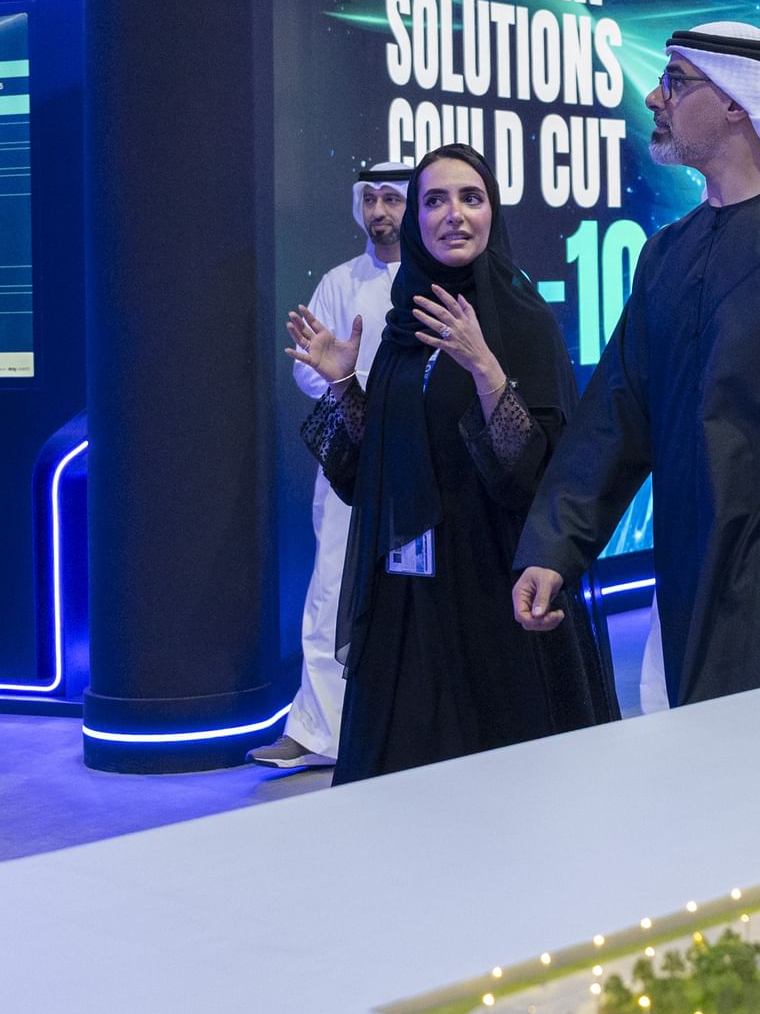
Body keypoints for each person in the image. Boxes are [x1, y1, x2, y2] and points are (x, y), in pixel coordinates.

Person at [513, 23, 760, 706]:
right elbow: (616, 414)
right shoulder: (668, 253)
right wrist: (554, 546)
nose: (654, 98)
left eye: (675, 82)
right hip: (689, 582)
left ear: (734, 101)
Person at [287, 145, 615, 782]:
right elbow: (371, 467)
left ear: (493, 213)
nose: (454, 214)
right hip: (408, 592)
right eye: (435, 200)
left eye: (471, 198)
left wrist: (485, 369)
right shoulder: (403, 326)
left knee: (502, 775)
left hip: (494, 584)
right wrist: (344, 383)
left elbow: (533, 473)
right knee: (403, 777)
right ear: (417, 219)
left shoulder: (522, 321)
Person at [254, 163, 409, 772]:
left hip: (422, 454)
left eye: (392, 199)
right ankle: (316, 732)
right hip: (350, 454)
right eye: (370, 199)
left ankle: (408, 724)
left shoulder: (435, 278)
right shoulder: (340, 281)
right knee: (330, 589)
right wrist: (351, 387)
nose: (379, 212)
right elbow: (306, 366)